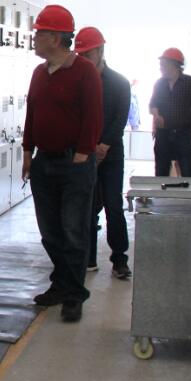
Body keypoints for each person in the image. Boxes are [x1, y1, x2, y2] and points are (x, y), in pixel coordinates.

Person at [22, 5, 102, 323]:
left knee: (73, 230)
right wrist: (27, 152)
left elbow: (93, 116)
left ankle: (72, 294)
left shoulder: (85, 71)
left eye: (39, 33)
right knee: (50, 231)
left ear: (55, 38)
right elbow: (32, 113)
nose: (34, 39)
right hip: (44, 162)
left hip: (74, 164)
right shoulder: (39, 73)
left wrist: (82, 154)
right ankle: (62, 284)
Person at [74, 27, 132, 280]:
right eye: (80, 55)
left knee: (113, 205)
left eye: (87, 54)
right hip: (85, 153)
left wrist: (105, 145)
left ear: (100, 51)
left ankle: (119, 259)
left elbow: (120, 118)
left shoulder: (119, 83)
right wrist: (87, 147)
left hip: (111, 153)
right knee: (87, 207)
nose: (84, 59)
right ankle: (88, 258)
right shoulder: (77, 81)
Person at [149, 47, 191, 177]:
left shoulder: (190, 83)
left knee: (186, 170)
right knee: (161, 172)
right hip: (163, 134)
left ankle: (189, 191)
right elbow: (153, 105)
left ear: (174, 65)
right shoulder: (159, 84)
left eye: (163, 65)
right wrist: (156, 116)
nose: (161, 68)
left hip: (183, 135)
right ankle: (162, 191)